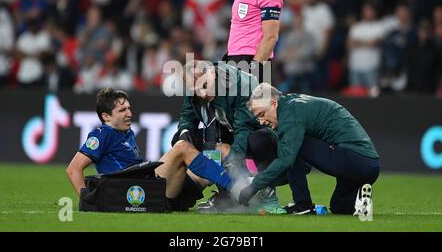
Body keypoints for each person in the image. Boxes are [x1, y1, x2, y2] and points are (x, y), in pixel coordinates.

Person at [66, 88, 233, 211]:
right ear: (106, 116)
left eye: (129, 108)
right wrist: (87, 200)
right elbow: (73, 169)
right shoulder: (102, 134)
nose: (129, 113)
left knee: (221, 150)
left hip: (155, 189)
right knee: (182, 148)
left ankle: (241, 192)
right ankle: (237, 188)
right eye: (122, 110)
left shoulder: (126, 133)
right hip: (141, 193)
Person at [239, 83, 380, 218]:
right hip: (369, 165)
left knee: (292, 148)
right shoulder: (292, 103)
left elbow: (286, 160)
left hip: (355, 159)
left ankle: (302, 205)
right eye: (258, 117)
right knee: (339, 206)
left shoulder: (289, 113)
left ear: (274, 103)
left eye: (262, 114)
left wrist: (254, 185)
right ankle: (359, 203)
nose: (261, 121)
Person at [174, 60, 286, 214]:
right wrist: (184, 133)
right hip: (227, 129)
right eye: (196, 91)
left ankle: (263, 189)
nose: (202, 94)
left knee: (256, 141)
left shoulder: (240, 84)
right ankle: (219, 191)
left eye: (205, 86)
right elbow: (187, 117)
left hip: (263, 133)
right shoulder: (194, 83)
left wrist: (232, 159)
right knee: (181, 140)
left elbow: (244, 128)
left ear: (213, 73)